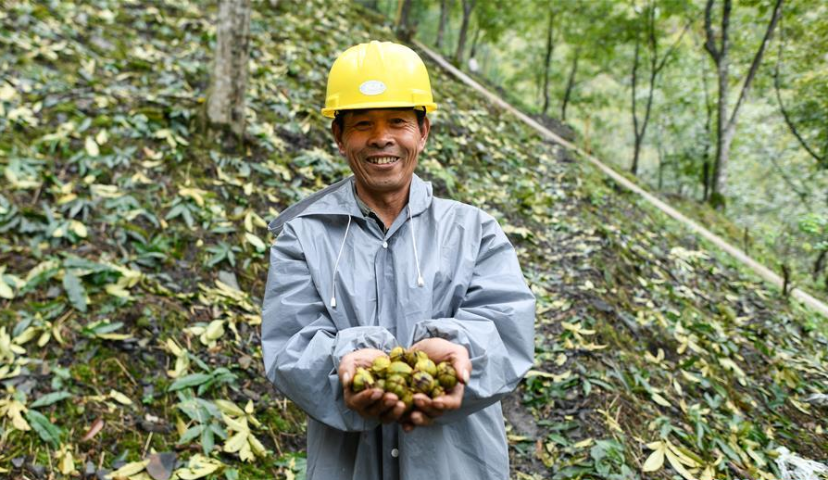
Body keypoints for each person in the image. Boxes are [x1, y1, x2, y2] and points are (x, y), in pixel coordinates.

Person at [261, 40, 535, 480]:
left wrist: (460, 354)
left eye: (398, 122)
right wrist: (343, 367)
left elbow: (507, 327)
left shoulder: (474, 230)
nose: (381, 137)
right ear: (339, 137)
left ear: (423, 132)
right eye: (363, 123)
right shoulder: (302, 237)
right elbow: (290, 344)